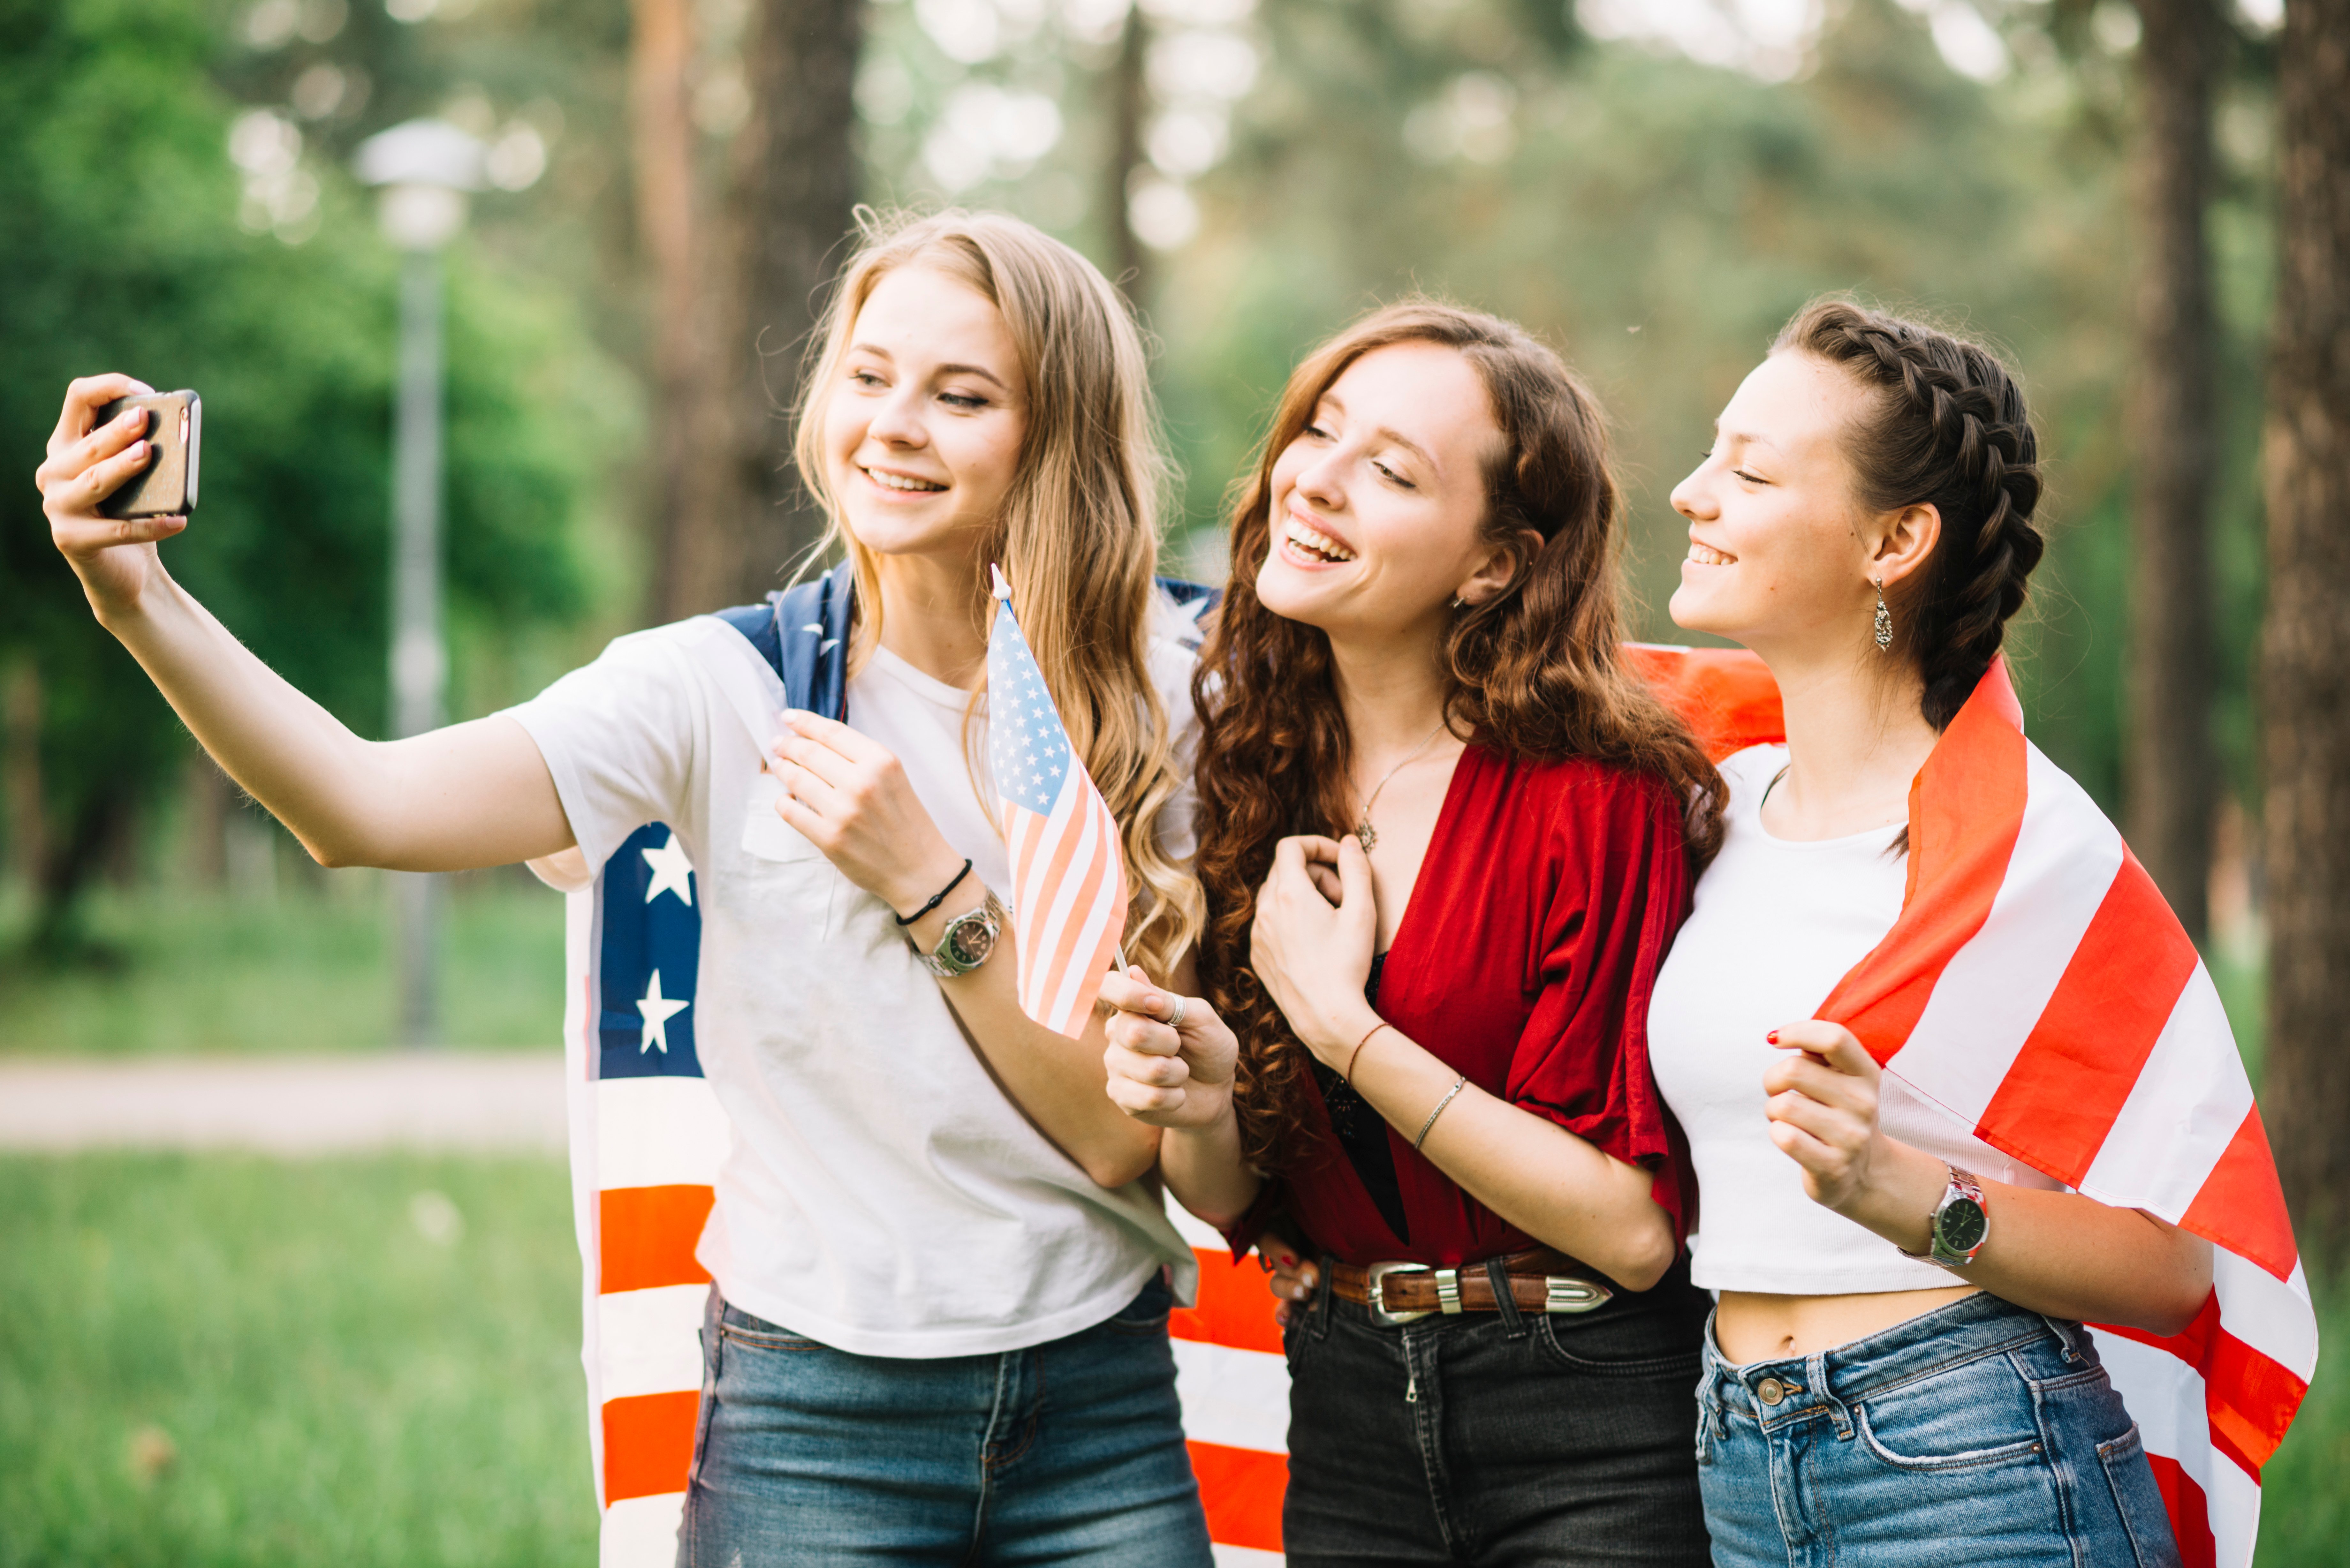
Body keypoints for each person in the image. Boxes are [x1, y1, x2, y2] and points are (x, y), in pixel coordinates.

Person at [35, 209, 1215, 1567]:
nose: (894, 424)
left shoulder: (1167, 691)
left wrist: (930, 885)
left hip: (1099, 1409)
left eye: (962, 396)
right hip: (812, 1418)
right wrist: (138, 601)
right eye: (868, 375)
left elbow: (1124, 1141)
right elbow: (358, 805)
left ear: (1052, 436)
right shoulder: (716, 686)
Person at [1097, 301, 1724, 1566]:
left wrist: (1343, 1025)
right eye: (1318, 432)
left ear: (1493, 565)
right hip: (1344, 1398)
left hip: (1587, 1411)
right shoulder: (1243, 771)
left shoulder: (1593, 791)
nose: (1314, 482)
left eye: (1388, 471)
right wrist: (1201, 1099)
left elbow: (1629, 1226)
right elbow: (1235, 1200)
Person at [1646, 299, 2209, 1566]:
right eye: (1710, 453)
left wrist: (1896, 1189)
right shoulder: (1713, 806)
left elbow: (2172, 1262)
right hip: (1737, 1453)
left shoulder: (2025, 846)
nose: (1690, 492)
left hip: (1969, 1455)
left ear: (1895, 539)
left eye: (1749, 469)